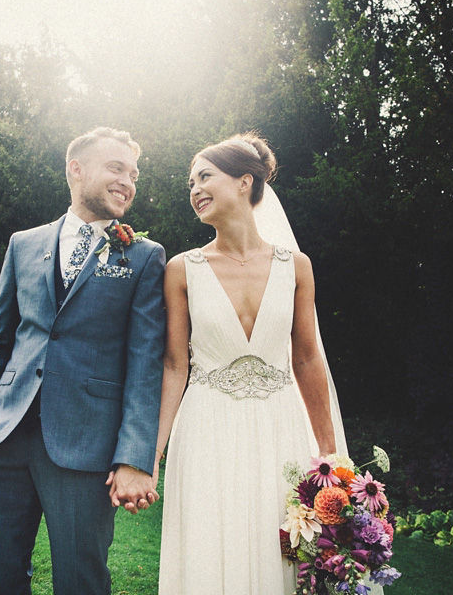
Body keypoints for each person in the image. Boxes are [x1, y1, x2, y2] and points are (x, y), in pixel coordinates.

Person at [155, 133, 373, 594]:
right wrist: (150, 454)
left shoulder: (296, 266)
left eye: (205, 176)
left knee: (282, 545)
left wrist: (332, 458)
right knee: (212, 545)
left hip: (280, 427)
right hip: (207, 427)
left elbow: (308, 357)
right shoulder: (181, 269)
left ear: (244, 182)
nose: (194, 189)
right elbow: (175, 365)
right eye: (190, 182)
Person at [0, 127, 166, 595]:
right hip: (1, 435)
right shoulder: (23, 243)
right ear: (76, 169)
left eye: (133, 174)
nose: (128, 182)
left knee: (81, 581)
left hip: (85, 446)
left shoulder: (143, 256)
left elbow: (146, 363)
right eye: (116, 168)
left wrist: (134, 455)